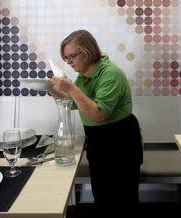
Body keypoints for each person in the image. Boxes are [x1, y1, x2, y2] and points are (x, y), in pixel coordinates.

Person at [49, 29, 143, 218]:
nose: (69, 62)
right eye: (66, 58)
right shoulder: (83, 77)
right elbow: (75, 103)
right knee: (102, 198)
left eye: (72, 56)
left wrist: (71, 87)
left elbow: (98, 114)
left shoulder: (111, 74)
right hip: (98, 142)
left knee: (123, 201)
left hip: (120, 141)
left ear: (88, 51)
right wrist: (51, 89)